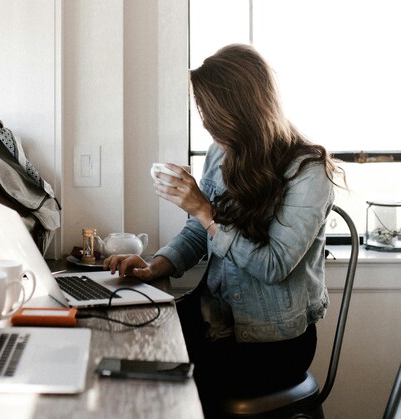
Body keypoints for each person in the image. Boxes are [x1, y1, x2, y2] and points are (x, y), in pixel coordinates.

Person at [104, 44, 345, 416]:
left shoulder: (308, 172)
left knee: (156, 379)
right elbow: (199, 232)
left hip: (272, 343)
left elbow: (274, 266)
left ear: (241, 109)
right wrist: (156, 265)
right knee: (125, 341)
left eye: (210, 112)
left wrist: (204, 210)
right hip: (215, 318)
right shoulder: (222, 153)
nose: (205, 123)